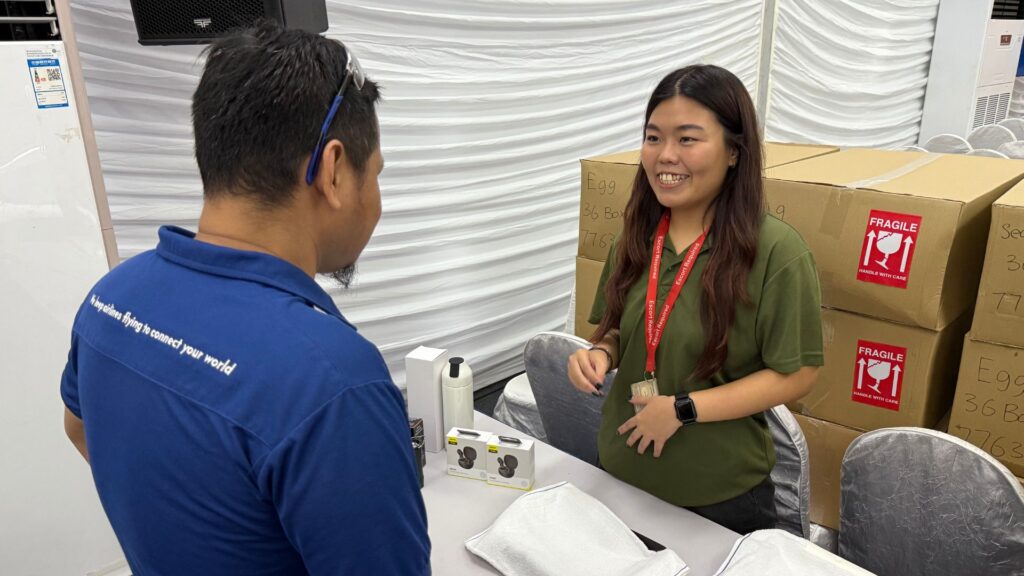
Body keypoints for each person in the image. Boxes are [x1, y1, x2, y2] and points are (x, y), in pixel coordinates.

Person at [60, 23, 430, 575]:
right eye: (373, 173)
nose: (376, 200)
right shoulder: (333, 383)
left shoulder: (112, 298)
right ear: (332, 171)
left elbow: (79, 427)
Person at [567, 65, 822, 534]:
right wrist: (599, 352)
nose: (665, 156)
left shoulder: (775, 251)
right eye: (653, 137)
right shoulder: (635, 237)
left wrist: (684, 409)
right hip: (621, 472)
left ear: (733, 151)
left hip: (718, 495)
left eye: (687, 139)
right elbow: (620, 328)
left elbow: (798, 374)